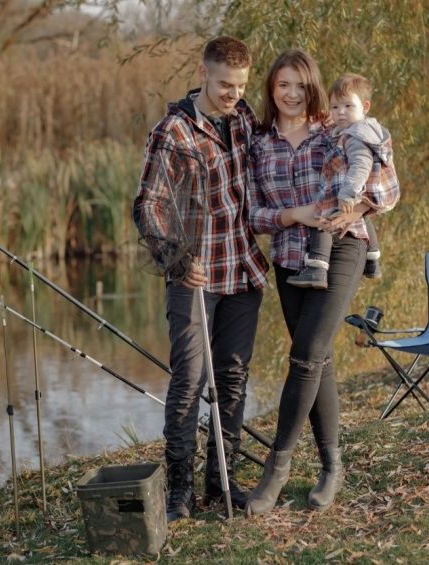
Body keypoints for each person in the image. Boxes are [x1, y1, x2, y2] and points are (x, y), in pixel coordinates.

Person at [245, 50, 399, 514]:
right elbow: (253, 214)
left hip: (341, 247)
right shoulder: (258, 145)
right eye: (282, 85)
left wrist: (351, 209)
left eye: (300, 85)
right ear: (271, 90)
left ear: (312, 88)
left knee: (306, 353)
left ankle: (278, 467)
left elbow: (387, 188)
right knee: (319, 360)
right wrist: (294, 214)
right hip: (291, 260)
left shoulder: (335, 130)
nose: (291, 94)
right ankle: (332, 466)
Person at [133, 36, 270, 521]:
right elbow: (147, 205)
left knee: (233, 380)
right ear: (203, 72)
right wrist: (174, 256)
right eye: (225, 84)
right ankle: (180, 494)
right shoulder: (173, 131)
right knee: (189, 381)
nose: (233, 93)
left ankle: (222, 484)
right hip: (193, 277)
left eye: (240, 85)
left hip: (243, 271)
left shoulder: (246, 120)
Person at [286, 73, 398, 289]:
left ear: (365, 107)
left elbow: (361, 165)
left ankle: (317, 268)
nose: (341, 112)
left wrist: (348, 193)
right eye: (335, 107)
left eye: (348, 106)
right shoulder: (360, 130)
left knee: (323, 218)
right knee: (362, 217)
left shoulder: (356, 136)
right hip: (355, 191)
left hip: (346, 190)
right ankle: (372, 258)